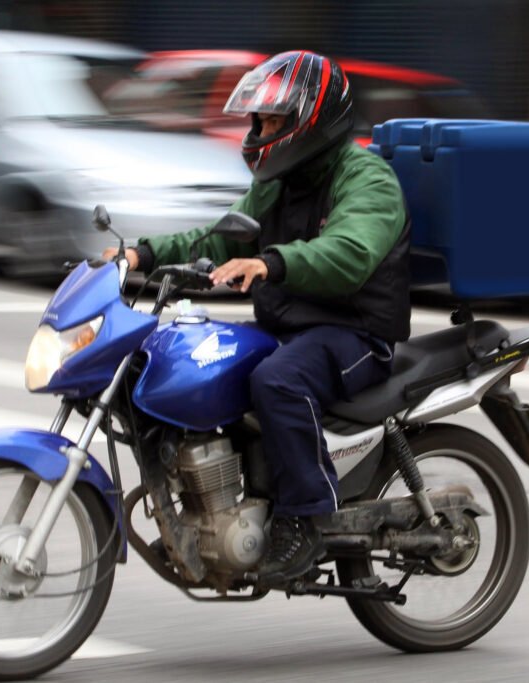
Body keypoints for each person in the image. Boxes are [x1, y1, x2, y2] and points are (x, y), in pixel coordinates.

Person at [104, 50, 411, 584]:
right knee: (191, 361)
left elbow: (350, 252)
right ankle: (212, 503)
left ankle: (309, 516)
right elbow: (222, 234)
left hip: (356, 332)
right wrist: (141, 255)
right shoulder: (279, 180)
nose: (262, 131)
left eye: (274, 121)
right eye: (260, 121)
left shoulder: (368, 180)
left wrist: (272, 263)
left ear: (310, 122)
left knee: (278, 380)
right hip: (290, 326)